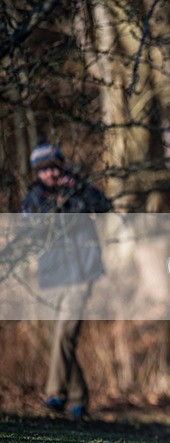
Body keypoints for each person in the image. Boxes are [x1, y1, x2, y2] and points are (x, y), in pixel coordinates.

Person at [21, 140, 112, 420]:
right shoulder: (34, 200)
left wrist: (79, 187)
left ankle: (55, 394)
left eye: (54, 168)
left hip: (81, 275)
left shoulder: (79, 192)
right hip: (51, 277)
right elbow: (30, 231)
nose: (50, 174)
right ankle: (79, 400)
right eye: (44, 170)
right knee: (59, 340)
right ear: (37, 173)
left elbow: (105, 206)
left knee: (64, 335)